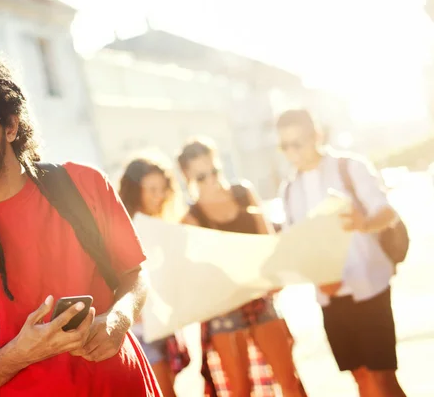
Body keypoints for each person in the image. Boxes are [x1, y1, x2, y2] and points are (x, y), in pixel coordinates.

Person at [0, 30, 160, 396]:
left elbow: (134, 276)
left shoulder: (85, 185)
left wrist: (120, 318)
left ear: (10, 125)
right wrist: (19, 354)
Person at [276, 109, 406, 397]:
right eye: (285, 146)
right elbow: (296, 246)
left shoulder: (349, 167)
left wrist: (365, 222)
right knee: (360, 378)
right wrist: (315, 276)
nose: (292, 152)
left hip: (369, 287)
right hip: (330, 296)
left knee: (383, 379)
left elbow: (386, 212)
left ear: (317, 136)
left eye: (298, 143)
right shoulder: (289, 190)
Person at [178, 138, 306, 397]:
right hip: (224, 311)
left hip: (260, 300)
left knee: (289, 380)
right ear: (187, 177)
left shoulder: (243, 193)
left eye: (214, 171)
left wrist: (275, 275)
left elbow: (269, 244)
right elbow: (195, 277)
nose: (212, 181)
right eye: (201, 177)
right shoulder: (190, 219)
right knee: (239, 390)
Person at [119, 155, 190, 397]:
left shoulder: (157, 225)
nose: (159, 196)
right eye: (151, 189)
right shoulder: (121, 228)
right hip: (141, 333)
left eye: (162, 189)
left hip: (162, 326)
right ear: (134, 189)